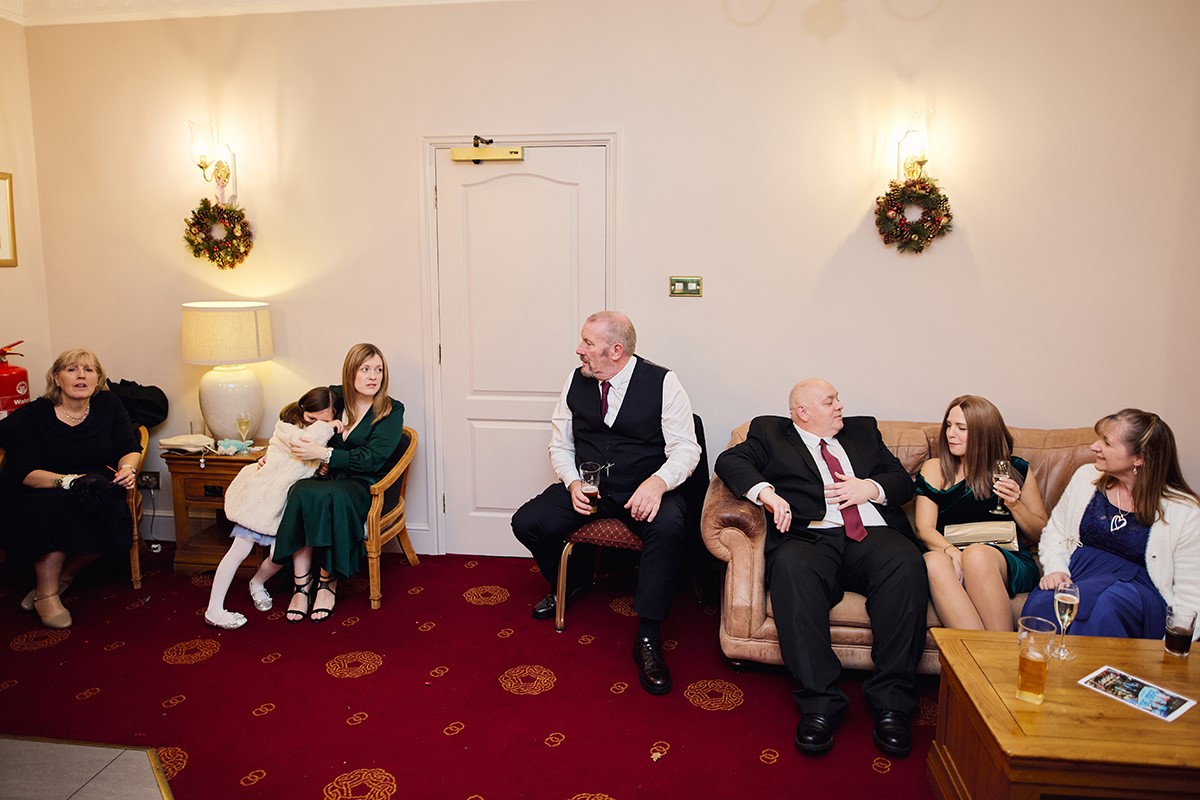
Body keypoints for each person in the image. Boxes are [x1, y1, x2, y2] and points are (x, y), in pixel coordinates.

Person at [714, 378, 926, 758]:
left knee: (905, 562)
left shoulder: (864, 431)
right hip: (811, 537)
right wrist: (767, 494)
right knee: (791, 568)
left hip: (871, 535)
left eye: (838, 399)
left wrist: (870, 488)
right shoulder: (770, 432)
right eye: (830, 401)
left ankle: (892, 704)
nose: (840, 405)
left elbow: (901, 482)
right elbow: (729, 462)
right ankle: (820, 702)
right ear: (803, 412)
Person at [511, 311, 700, 696]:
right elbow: (560, 444)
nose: (579, 350)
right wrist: (572, 482)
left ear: (616, 350)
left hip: (642, 488)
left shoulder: (664, 382)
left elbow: (686, 448)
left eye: (587, 343)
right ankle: (572, 582)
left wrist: (657, 483)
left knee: (668, 528)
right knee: (527, 521)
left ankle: (648, 635)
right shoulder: (575, 380)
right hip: (591, 489)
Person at [1023, 409, 1200, 640]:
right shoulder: (1085, 477)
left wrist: (1174, 646)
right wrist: (1056, 569)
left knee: (1106, 607)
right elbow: (1055, 532)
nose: (1094, 446)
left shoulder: (1185, 511)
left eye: (1106, 443)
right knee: (1044, 602)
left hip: (1136, 589)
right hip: (1081, 573)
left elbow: (1192, 592)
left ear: (1138, 458)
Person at [0, 349, 142, 629]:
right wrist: (68, 481)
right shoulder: (36, 415)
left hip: (93, 481)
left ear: (98, 378)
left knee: (108, 504)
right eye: (72, 369)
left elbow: (130, 447)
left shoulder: (108, 404)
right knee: (55, 507)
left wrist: (128, 469)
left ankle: (62, 577)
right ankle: (47, 594)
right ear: (57, 378)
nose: (81, 376)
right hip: (43, 483)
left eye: (89, 370)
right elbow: (24, 472)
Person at [273, 344, 405, 623]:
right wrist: (273, 453)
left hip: (362, 483)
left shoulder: (390, 410)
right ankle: (301, 584)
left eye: (379, 370)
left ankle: (327, 581)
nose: (373, 377)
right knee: (300, 490)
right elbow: (295, 416)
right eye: (365, 369)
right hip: (325, 476)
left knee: (331, 496)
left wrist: (324, 453)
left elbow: (373, 459)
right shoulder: (334, 397)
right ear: (351, 371)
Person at [202, 387, 342, 629]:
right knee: (239, 550)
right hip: (263, 497)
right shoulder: (288, 427)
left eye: (324, 421)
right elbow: (304, 443)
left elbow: (311, 462)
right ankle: (214, 608)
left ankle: (256, 583)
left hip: (286, 503)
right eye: (312, 419)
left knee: (280, 554)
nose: (317, 425)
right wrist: (329, 426)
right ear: (302, 410)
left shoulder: (320, 436)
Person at [915, 395, 1048, 631]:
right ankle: (984, 653)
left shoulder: (1015, 468)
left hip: (1006, 557)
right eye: (949, 425)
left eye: (961, 428)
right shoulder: (935, 468)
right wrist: (954, 553)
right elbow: (923, 529)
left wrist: (1015, 504)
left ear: (983, 433)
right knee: (933, 562)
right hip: (950, 550)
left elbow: (1040, 533)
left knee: (976, 555)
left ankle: (997, 647)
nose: (950, 434)